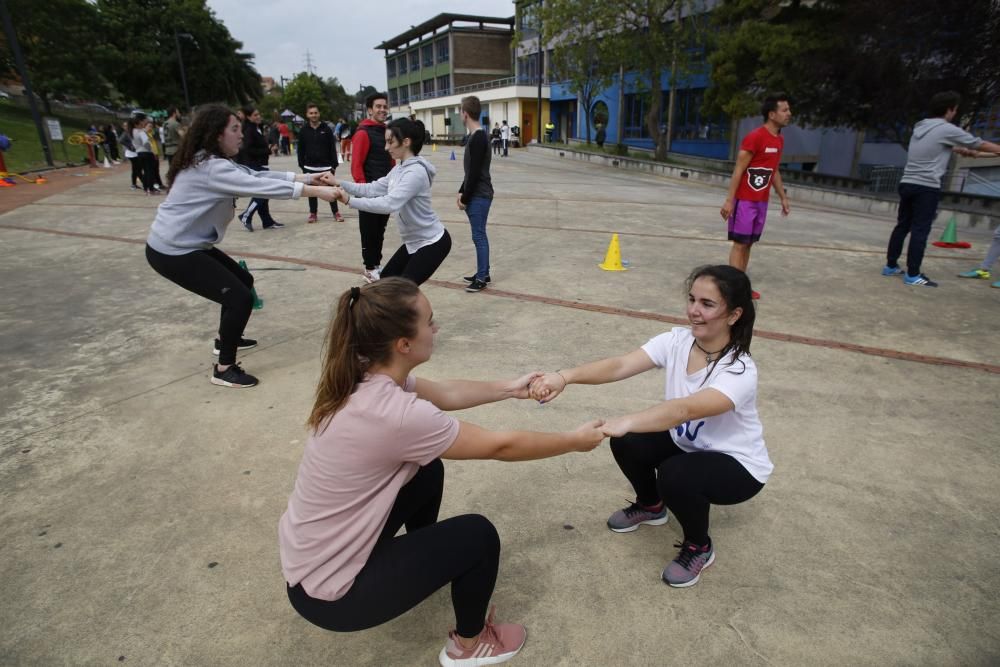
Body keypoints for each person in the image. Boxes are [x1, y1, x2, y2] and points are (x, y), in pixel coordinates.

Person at [279, 278, 606, 666]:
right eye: (429, 322)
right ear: (403, 344)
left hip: (313, 564)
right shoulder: (397, 415)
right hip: (334, 596)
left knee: (426, 467)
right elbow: (501, 446)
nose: (436, 328)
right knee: (477, 536)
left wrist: (509, 389)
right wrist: (574, 440)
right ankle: (469, 646)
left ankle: (429, 565)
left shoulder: (365, 373)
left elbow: (446, 394)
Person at [529, 265, 771, 588]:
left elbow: (684, 410)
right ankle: (651, 505)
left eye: (707, 304)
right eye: (692, 299)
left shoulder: (740, 371)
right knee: (629, 440)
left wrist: (625, 420)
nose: (694, 311)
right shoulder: (677, 341)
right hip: (690, 444)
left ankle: (699, 546)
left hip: (738, 465)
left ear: (733, 314)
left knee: (675, 473)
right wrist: (564, 376)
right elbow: (621, 365)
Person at [144, 105, 338, 388]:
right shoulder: (210, 167)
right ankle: (224, 368)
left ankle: (225, 339)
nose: (241, 135)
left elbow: (256, 175)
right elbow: (257, 187)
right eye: (234, 130)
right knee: (240, 297)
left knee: (243, 281)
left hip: (187, 244)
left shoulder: (213, 160)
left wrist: (308, 178)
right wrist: (317, 191)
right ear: (215, 134)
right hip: (173, 251)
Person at [882, 91, 1000, 287]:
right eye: (955, 109)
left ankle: (890, 266)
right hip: (926, 186)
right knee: (920, 230)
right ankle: (913, 275)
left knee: (902, 226)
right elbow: (980, 144)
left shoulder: (920, 127)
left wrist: (959, 149)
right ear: (950, 110)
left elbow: (935, 145)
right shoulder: (947, 129)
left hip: (907, 183)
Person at [326, 118, 450, 286]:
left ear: (406, 142)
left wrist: (349, 201)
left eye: (390, 142)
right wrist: (339, 183)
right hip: (413, 242)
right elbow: (373, 188)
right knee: (384, 284)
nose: (386, 147)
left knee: (400, 291)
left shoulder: (415, 173)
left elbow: (389, 204)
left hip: (432, 242)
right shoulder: (399, 168)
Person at [720, 93, 792, 300]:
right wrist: (729, 201)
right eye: (784, 110)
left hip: (761, 201)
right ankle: (733, 289)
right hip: (745, 201)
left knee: (749, 243)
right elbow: (738, 170)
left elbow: (774, 170)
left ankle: (741, 287)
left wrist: (783, 197)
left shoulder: (779, 140)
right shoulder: (755, 138)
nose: (789, 114)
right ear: (772, 114)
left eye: (788, 110)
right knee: (740, 243)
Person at [351, 92, 395, 282]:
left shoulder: (386, 131)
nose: (382, 110)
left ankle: (376, 265)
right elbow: (356, 166)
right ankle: (369, 267)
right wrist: (364, 192)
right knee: (369, 231)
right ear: (369, 110)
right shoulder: (363, 133)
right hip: (369, 192)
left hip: (384, 192)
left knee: (379, 230)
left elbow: (392, 160)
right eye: (378, 106)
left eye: (385, 106)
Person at [457, 96, 494, 293]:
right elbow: (470, 171)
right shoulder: (477, 136)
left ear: (465, 113)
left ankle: (481, 278)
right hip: (478, 193)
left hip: (480, 194)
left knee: (479, 236)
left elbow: (475, 172)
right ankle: (483, 271)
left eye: (461, 111)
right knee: (479, 235)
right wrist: (461, 189)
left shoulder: (478, 137)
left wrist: (465, 197)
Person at [237, 107, 285, 231]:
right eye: (255, 115)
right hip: (255, 165)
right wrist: (267, 150)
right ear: (248, 117)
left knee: (265, 193)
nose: (258, 116)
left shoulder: (256, 128)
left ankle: (267, 221)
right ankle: (246, 215)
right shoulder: (249, 130)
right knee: (263, 192)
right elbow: (247, 149)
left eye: (259, 114)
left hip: (261, 164)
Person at [298, 103, 344, 223]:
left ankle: (336, 212)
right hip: (309, 168)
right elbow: (300, 150)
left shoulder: (326, 129)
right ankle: (313, 213)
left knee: (331, 191)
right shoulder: (303, 131)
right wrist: (302, 166)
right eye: (311, 113)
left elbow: (332, 148)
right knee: (312, 193)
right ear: (307, 115)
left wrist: (334, 166)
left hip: (326, 167)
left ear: (319, 114)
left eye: (316, 113)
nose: (314, 115)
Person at [130, 114, 158, 195]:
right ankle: (151, 189)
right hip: (146, 152)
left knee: (145, 172)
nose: (144, 122)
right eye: (143, 121)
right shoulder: (141, 132)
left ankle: (146, 189)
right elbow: (146, 142)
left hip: (139, 153)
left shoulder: (133, 131)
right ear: (140, 122)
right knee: (150, 171)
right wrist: (150, 149)